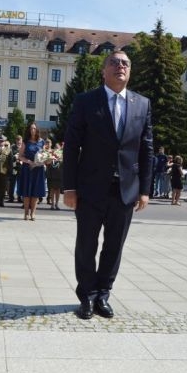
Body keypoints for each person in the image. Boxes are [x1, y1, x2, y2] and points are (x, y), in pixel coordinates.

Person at [63, 50, 153, 320]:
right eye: (114, 62)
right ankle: (87, 297)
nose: (120, 66)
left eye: (125, 63)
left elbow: (146, 149)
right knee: (86, 246)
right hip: (90, 189)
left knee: (114, 246)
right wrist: (69, 188)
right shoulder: (86, 101)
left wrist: (145, 190)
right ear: (104, 71)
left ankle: (103, 294)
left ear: (130, 71)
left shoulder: (142, 104)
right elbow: (72, 146)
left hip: (124, 190)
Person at [18, 122, 46, 221]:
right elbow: (20, 156)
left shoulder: (41, 142)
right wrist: (28, 161)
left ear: (37, 130)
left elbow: (44, 155)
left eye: (34, 128)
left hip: (38, 169)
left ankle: (33, 213)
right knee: (27, 192)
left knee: (35, 192)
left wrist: (42, 161)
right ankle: (26, 213)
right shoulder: (25, 142)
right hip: (28, 169)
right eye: (30, 129)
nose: (32, 130)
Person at [8, 135, 23, 203]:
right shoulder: (12, 147)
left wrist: (21, 159)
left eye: (20, 140)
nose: (18, 141)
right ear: (16, 140)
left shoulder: (23, 147)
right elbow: (10, 156)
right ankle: (11, 197)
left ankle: (19, 197)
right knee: (12, 184)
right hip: (14, 167)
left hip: (21, 168)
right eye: (17, 140)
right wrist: (15, 157)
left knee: (20, 183)